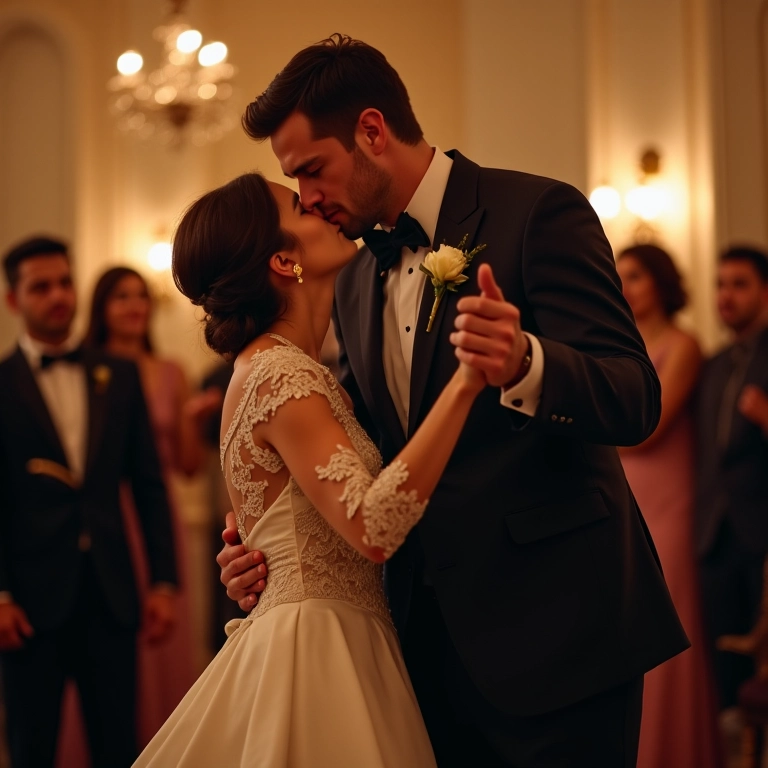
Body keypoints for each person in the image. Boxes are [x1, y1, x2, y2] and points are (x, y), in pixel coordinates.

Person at [216, 34, 689, 768]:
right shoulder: (351, 278)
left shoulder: (537, 212)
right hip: (422, 655)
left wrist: (527, 362)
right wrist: (271, 539)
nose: (305, 198)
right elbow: (372, 450)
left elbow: (634, 397)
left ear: (372, 131)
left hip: (558, 638)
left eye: (311, 170)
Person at [133, 170, 495, 767]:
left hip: (351, 631)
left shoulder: (296, 368)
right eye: (300, 206)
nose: (323, 208)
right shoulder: (280, 373)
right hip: (318, 648)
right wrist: (467, 380)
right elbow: (374, 528)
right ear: (282, 259)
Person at [0, 237, 178, 768]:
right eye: (41, 287)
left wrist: (165, 582)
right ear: (14, 300)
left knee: (117, 744)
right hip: (29, 604)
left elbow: (149, 485)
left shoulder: (117, 376)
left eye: (64, 282)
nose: (58, 295)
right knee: (32, 746)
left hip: (110, 592)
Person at [80, 267, 215, 745]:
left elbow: (189, 468)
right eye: (121, 297)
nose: (135, 306)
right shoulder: (85, 369)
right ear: (101, 308)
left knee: (161, 644)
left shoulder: (171, 372)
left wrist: (189, 420)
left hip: (157, 521)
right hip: (101, 518)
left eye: (141, 296)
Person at [616, 244, 722, 768]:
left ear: (660, 281)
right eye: (619, 277)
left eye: (635, 275)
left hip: (671, 503)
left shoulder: (684, 345)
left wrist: (581, 421)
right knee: (629, 626)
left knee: (671, 626)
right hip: (624, 497)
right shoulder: (619, 349)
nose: (626, 286)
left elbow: (646, 430)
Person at [694, 246, 768, 738]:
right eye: (721, 284)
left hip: (762, 534)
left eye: (739, 284)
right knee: (725, 670)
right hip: (713, 534)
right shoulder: (713, 363)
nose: (726, 295)